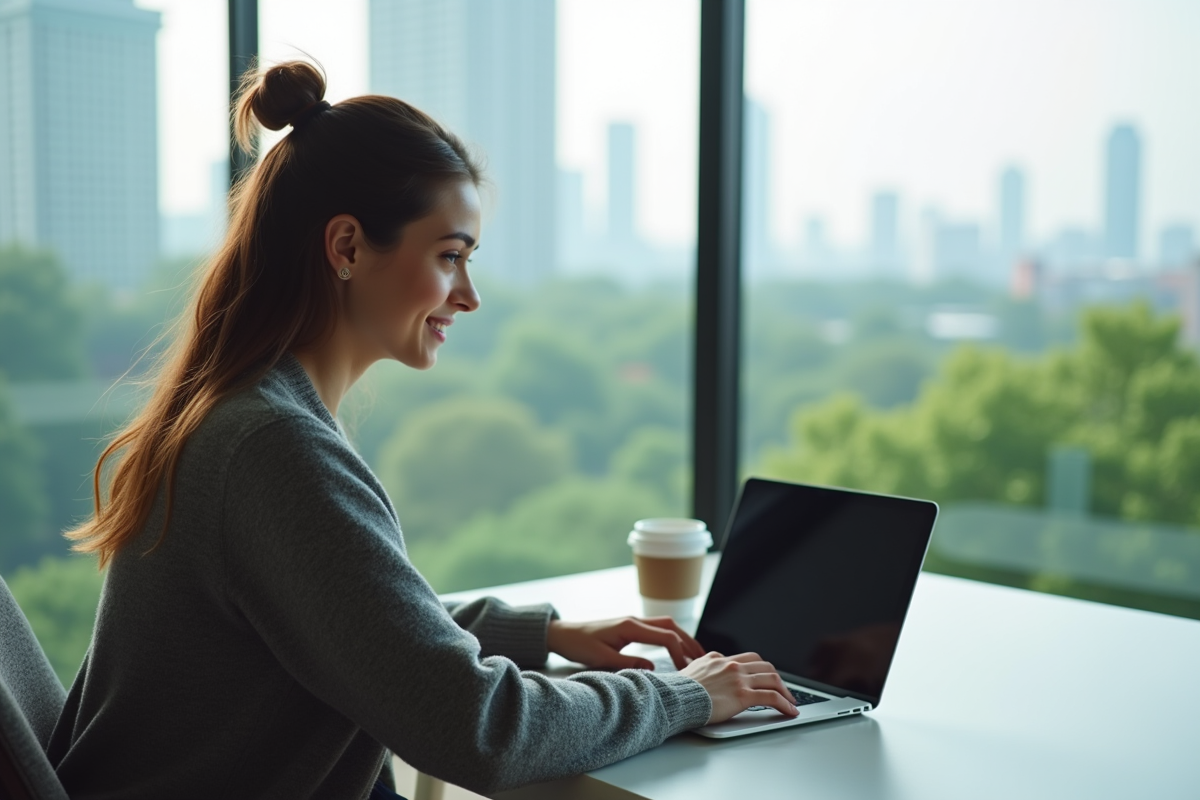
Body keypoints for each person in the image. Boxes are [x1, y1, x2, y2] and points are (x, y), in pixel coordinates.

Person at [49, 61, 798, 800]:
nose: (467, 296)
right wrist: (688, 696)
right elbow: (481, 730)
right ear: (345, 247)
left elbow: (347, 616)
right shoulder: (274, 448)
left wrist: (544, 635)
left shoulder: (247, 412)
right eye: (450, 257)